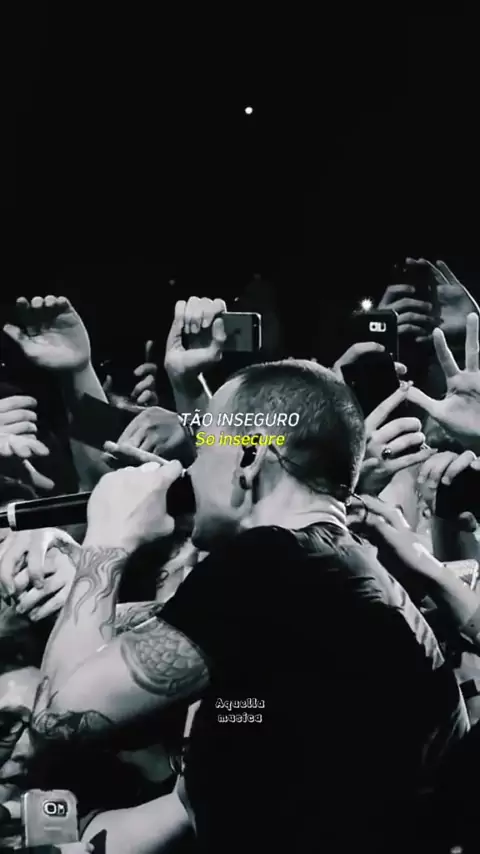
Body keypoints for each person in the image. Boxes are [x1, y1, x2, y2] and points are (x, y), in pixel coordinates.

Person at [30, 343, 468, 853]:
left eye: (204, 451)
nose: (188, 472)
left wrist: (109, 539)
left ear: (248, 456)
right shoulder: (335, 571)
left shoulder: (268, 561)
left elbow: (57, 719)